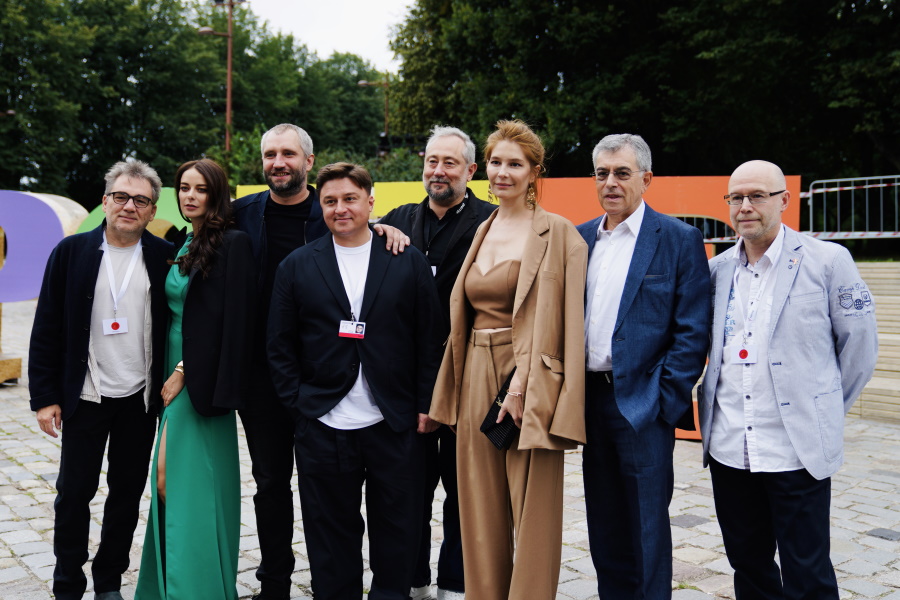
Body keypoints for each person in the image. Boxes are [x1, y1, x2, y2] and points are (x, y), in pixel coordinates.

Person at [232, 123, 408, 600]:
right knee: (271, 484)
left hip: (337, 383)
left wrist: (384, 228)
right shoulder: (240, 215)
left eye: (288, 153)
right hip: (267, 379)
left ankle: (354, 583)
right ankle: (275, 584)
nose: (278, 162)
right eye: (270, 154)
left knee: (341, 496)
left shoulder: (332, 210)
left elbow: (362, 233)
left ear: (308, 161)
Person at [698, 160, 878, 599]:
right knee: (749, 566)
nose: (745, 206)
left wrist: (822, 408)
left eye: (757, 196)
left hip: (796, 449)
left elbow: (859, 348)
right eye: (736, 197)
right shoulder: (717, 271)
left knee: (807, 572)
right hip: (730, 447)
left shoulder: (828, 261)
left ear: (784, 200)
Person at [267, 162, 441, 600]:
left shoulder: (406, 259)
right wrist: (299, 405)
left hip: (394, 421)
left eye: (349, 198)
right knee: (329, 536)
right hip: (323, 422)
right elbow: (279, 345)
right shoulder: (297, 265)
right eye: (330, 201)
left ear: (370, 201)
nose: (340, 208)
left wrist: (426, 404)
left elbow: (430, 338)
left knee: (397, 532)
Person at [429, 120, 588, 600]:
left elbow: (564, 322)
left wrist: (521, 383)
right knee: (477, 506)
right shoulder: (483, 228)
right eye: (496, 162)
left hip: (528, 379)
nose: (502, 172)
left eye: (514, 164)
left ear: (535, 172)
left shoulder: (559, 234)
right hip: (474, 372)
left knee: (533, 509)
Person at [29, 160, 173, 600]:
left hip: (139, 398)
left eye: (141, 200)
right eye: (121, 196)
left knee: (126, 495)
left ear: (152, 210)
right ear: (105, 200)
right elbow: (46, 326)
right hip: (86, 394)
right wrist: (45, 396)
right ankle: (67, 583)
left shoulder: (165, 256)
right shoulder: (70, 252)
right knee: (74, 493)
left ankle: (109, 582)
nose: (129, 206)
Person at [576, 133, 710, 599]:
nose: (610, 183)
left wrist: (663, 400)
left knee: (647, 525)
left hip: (644, 403)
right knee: (604, 521)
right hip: (589, 400)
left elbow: (692, 329)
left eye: (622, 173)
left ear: (646, 179)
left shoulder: (677, 239)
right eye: (602, 174)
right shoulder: (580, 238)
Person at [378, 125, 495, 600]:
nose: (438, 171)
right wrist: (378, 229)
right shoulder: (396, 219)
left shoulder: (492, 222)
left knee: (464, 489)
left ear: (471, 170)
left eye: (450, 162)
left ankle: (455, 584)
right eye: (432, 161)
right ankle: (413, 580)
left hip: (470, 375)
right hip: (408, 381)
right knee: (410, 487)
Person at [135, 159, 255, 599]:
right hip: (169, 369)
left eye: (200, 189)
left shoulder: (234, 244)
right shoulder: (182, 241)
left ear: (216, 194)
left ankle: (197, 588)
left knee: (173, 480)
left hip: (199, 379)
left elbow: (235, 322)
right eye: (184, 188)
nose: (190, 196)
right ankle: (170, 586)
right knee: (170, 484)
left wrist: (185, 371)